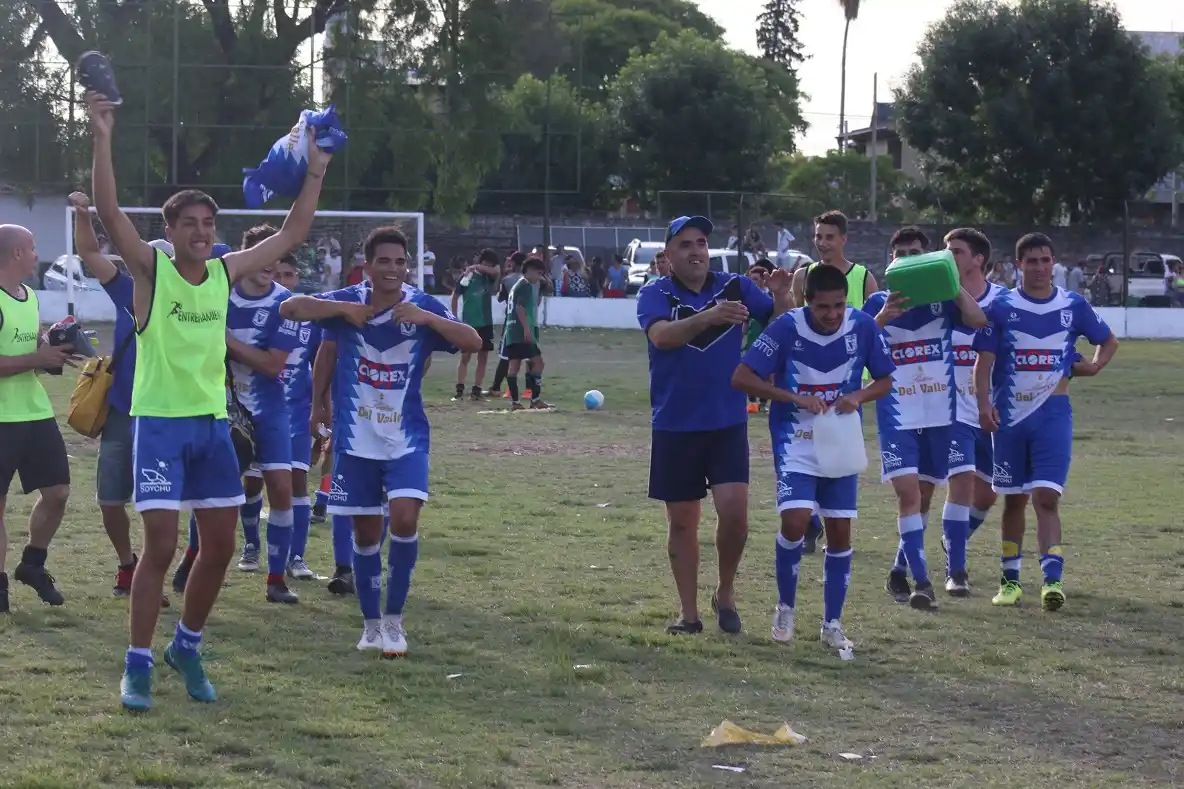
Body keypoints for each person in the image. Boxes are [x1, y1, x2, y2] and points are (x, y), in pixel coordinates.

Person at [87, 90, 332, 711]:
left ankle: (187, 646)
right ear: (168, 231)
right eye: (188, 223)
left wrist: (317, 168)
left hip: (212, 426)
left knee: (220, 545)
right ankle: (137, 664)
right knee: (163, 546)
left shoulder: (224, 272)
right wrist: (102, 135)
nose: (200, 232)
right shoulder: (150, 273)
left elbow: (295, 230)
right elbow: (110, 210)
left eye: (207, 224)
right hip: (160, 428)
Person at [280, 226, 481, 656]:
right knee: (367, 535)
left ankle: (395, 619)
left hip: (407, 437)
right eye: (384, 261)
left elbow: (474, 341)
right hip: (355, 441)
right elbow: (290, 308)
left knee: (405, 520)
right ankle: (372, 626)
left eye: (400, 261)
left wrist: (428, 319)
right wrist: (342, 312)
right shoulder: (346, 303)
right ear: (367, 266)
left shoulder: (420, 305)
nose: (393, 269)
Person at [637, 215, 791, 635]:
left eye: (702, 243)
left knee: (735, 516)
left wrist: (781, 298)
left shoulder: (736, 285)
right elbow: (663, 337)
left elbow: (781, 328)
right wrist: (710, 316)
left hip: (727, 422)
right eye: (685, 244)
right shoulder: (655, 293)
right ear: (668, 255)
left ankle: (725, 592)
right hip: (674, 424)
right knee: (684, 522)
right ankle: (689, 615)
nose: (696, 252)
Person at [732, 264, 895, 649]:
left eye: (839, 305)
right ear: (808, 302)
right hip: (796, 441)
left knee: (840, 532)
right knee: (795, 521)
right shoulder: (787, 328)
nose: (833, 314)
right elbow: (741, 376)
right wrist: (792, 397)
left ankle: (832, 624)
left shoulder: (863, 327)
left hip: (839, 440)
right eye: (824, 307)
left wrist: (857, 396)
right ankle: (785, 606)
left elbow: (887, 379)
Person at [973, 233, 1118, 611]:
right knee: (1015, 501)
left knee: (1047, 497)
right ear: (1017, 265)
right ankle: (1010, 581)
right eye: (1032, 261)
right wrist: (984, 405)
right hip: (1010, 418)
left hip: (1053, 415)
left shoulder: (1073, 304)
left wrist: (1096, 366)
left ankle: (1052, 581)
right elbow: (983, 363)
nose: (1040, 268)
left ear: (1054, 263)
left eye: (1045, 260)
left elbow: (1107, 340)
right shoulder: (1002, 306)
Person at [863, 230, 987, 611]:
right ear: (890, 260)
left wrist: (950, 283)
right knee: (908, 494)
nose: (907, 258)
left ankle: (905, 571)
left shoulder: (940, 301)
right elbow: (852, 344)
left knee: (930, 492)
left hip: (941, 413)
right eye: (900, 253)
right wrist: (882, 318)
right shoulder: (876, 304)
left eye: (915, 253)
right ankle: (922, 581)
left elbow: (979, 319)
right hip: (897, 413)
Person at [67, 193, 169, 604]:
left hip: (165, 416)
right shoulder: (124, 289)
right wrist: (83, 214)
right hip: (123, 414)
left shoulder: (187, 298)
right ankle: (128, 564)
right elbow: (89, 250)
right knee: (111, 501)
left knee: (157, 505)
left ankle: (150, 576)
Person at [792, 212, 881, 553]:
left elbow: (876, 324)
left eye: (829, 237)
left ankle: (829, 520)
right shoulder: (803, 276)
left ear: (844, 239)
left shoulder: (862, 277)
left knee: (837, 455)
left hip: (847, 382)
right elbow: (790, 320)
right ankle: (811, 523)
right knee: (808, 451)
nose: (822, 243)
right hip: (808, 379)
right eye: (818, 236)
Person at [0, 224, 76, 615]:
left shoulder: (28, 296)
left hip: (35, 412)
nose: (36, 255)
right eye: (31, 248)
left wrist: (55, 348)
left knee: (59, 492)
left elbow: (27, 347)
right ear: (14, 255)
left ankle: (32, 564)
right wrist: (36, 358)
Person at [935, 228, 1006, 596]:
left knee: (989, 494)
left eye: (957, 251)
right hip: (954, 411)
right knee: (959, 480)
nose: (949, 256)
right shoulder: (941, 301)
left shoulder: (1002, 301)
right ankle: (956, 571)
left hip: (993, 412)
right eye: (947, 251)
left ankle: (953, 538)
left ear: (978, 259)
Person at [272, 255, 324, 582]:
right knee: (250, 485)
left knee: (298, 482)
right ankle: (250, 546)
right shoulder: (262, 313)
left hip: (298, 411)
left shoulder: (310, 317)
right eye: (277, 274)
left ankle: (297, 558)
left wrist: (321, 410)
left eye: (289, 274)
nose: (284, 280)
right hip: (259, 410)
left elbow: (322, 363)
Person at [449, 249, 501, 401]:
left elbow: (497, 271)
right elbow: (455, 296)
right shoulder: (468, 277)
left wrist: (477, 267)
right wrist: (453, 317)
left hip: (485, 322)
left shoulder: (488, 277)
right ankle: (459, 390)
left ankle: (476, 391)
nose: (489, 267)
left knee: (483, 357)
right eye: (487, 263)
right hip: (469, 322)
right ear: (482, 261)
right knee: (465, 357)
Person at [502, 257, 551, 410]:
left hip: (511, 331)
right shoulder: (525, 285)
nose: (539, 277)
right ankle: (535, 400)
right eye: (538, 273)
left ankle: (516, 403)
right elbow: (520, 308)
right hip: (520, 331)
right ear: (528, 270)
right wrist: (527, 330)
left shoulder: (517, 286)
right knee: (538, 362)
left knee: (514, 366)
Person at [743, 258, 775, 414]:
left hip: (767, 338)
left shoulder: (771, 298)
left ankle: (763, 403)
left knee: (766, 372)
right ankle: (752, 402)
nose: (752, 282)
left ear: (763, 280)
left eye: (755, 279)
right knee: (750, 370)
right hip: (752, 337)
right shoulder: (747, 298)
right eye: (750, 279)